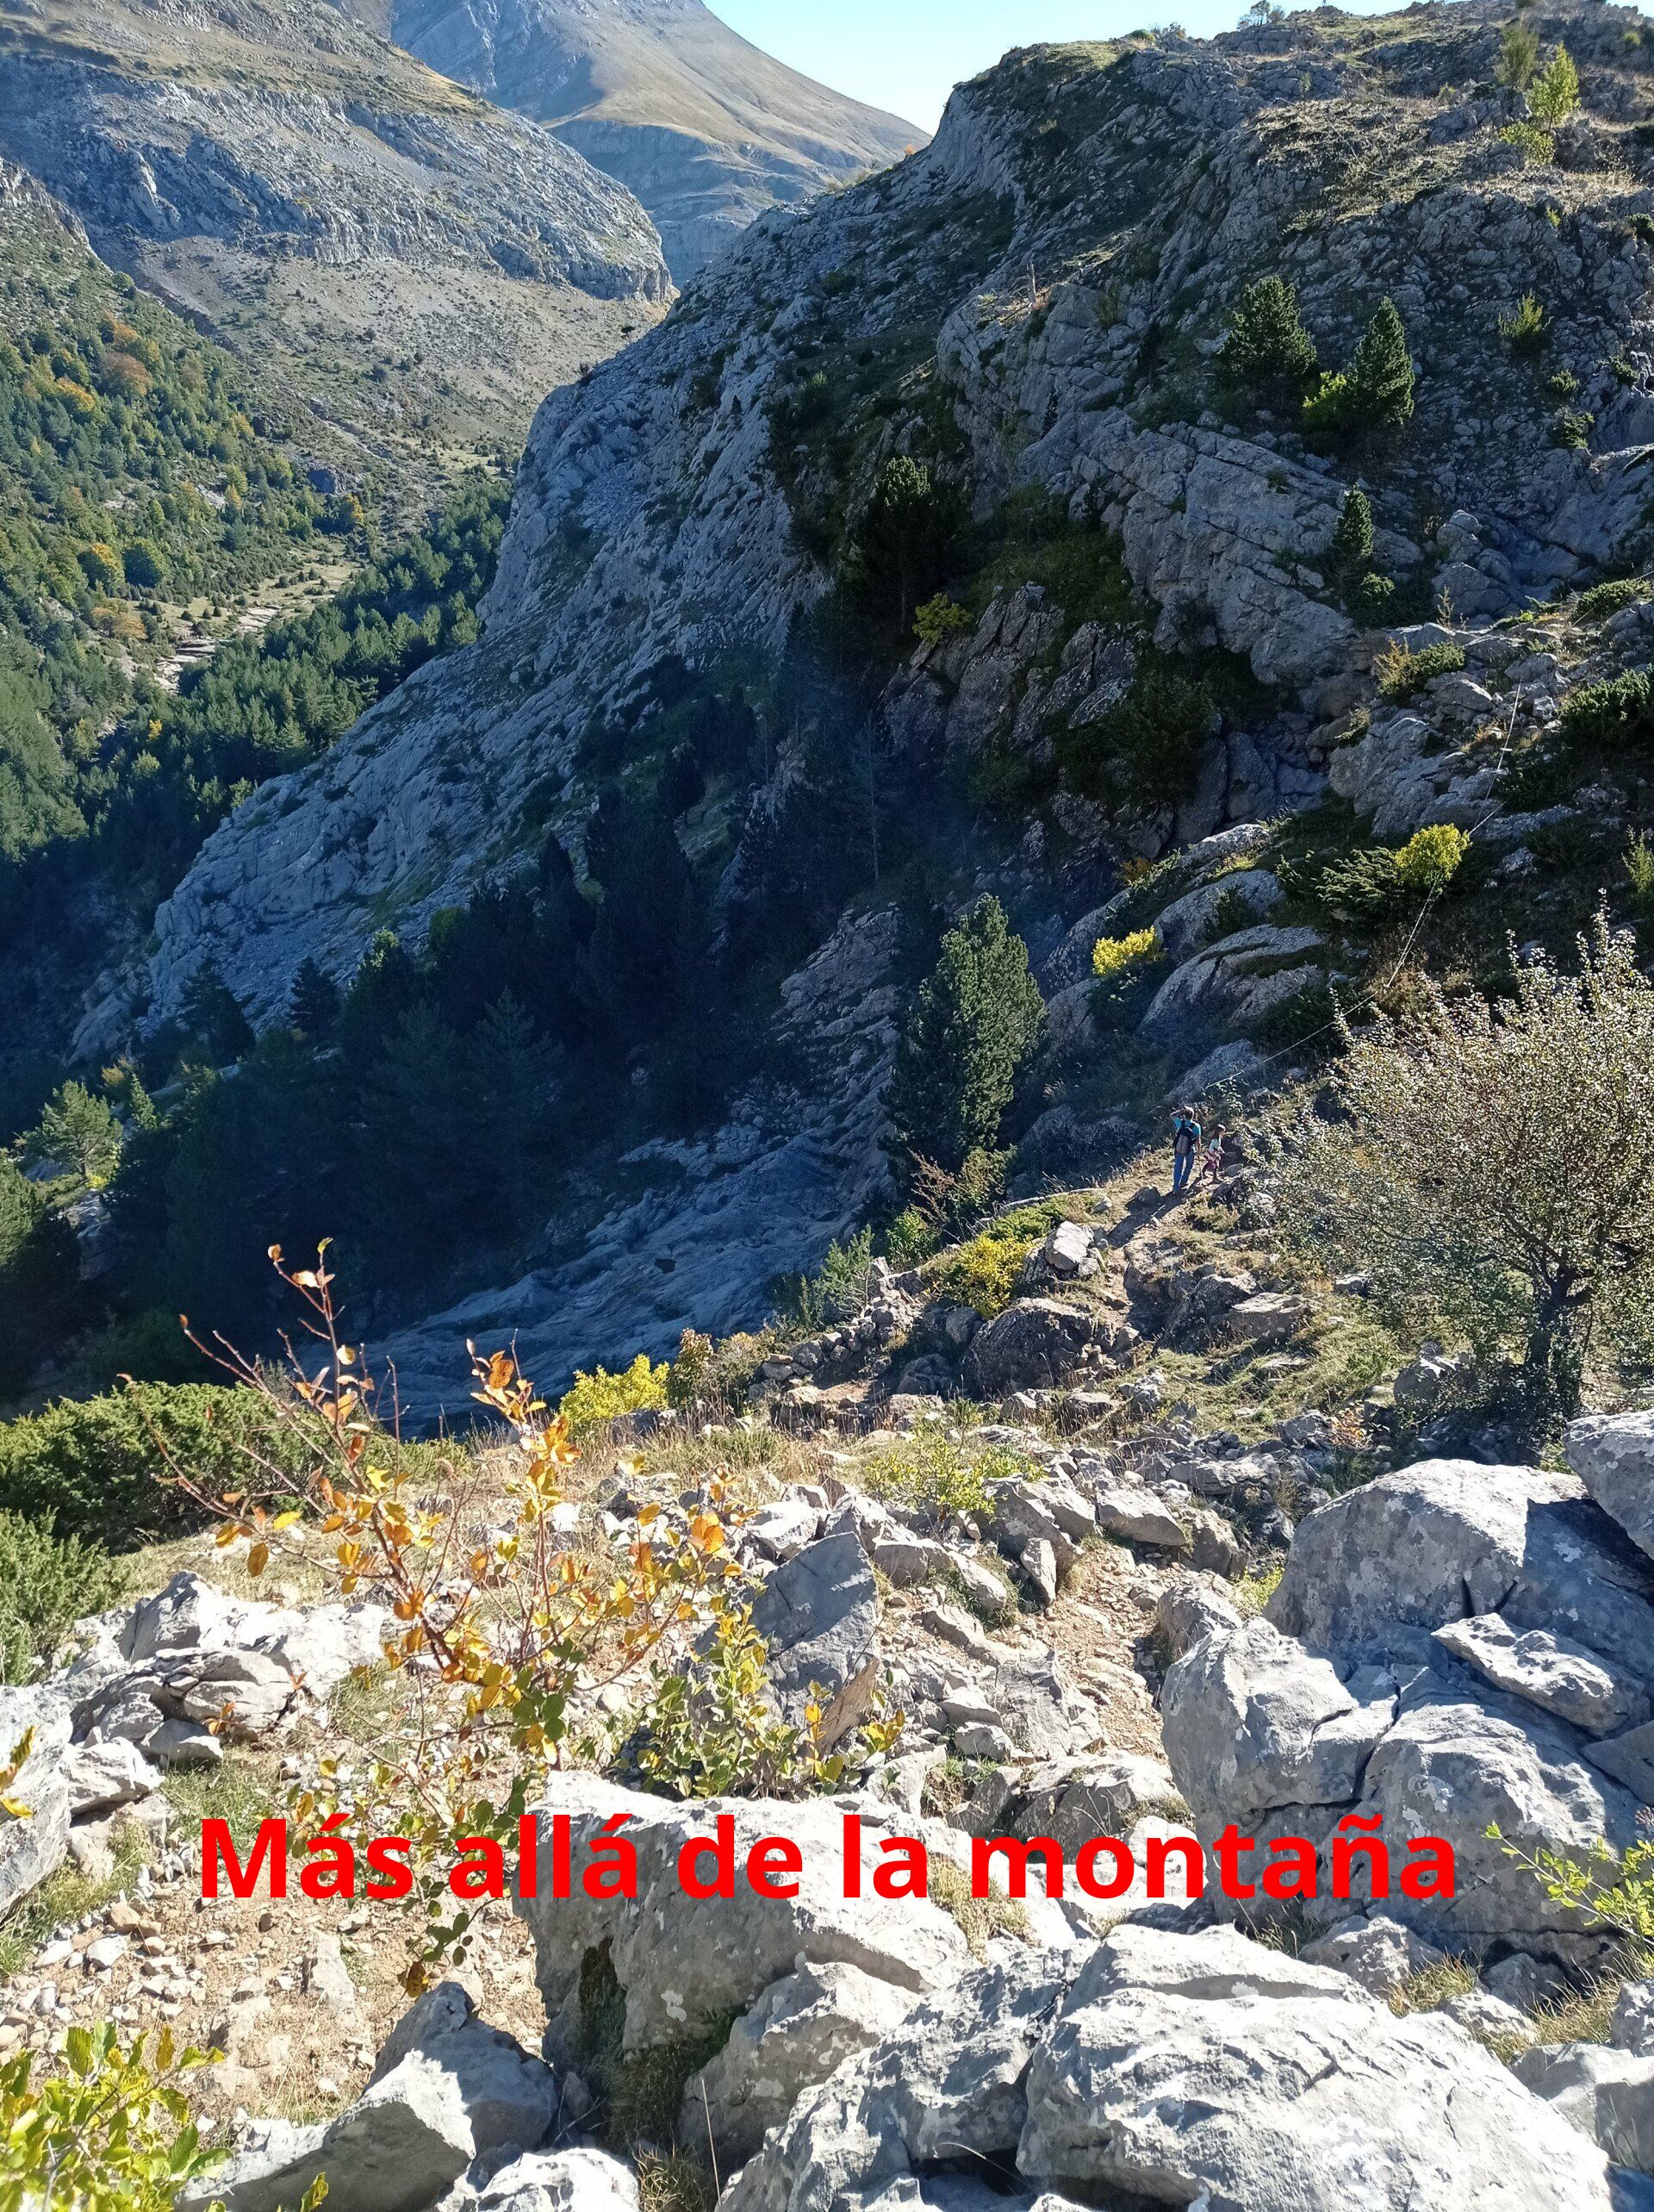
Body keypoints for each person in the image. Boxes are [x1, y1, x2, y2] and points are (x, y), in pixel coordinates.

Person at [1171, 1105, 1202, 1195]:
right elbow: (1198, 1140)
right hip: (1190, 1150)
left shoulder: (1180, 1122)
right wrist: (1199, 1150)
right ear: (1193, 1115)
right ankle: (1184, 1181)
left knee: (1178, 1167)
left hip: (1179, 1149)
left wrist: (1180, 1110)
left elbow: (1172, 1115)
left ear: (1184, 1115)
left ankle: (1176, 1187)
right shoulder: (1196, 1126)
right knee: (1189, 1165)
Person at [1199, 1123, 1227, 1187]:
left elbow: (1218, 1146)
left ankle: (1202, 1172)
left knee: (1209, 1163)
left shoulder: (1219, 1138)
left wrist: (1221, 1150)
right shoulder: (1215, 1140)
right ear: (1219, 1132)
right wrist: (1214, 1154)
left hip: (1215, 1153)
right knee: (1216, 1165)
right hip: (1213, 1154)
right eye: (1223, 1132)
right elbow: (1212, 1147)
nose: (1223, 1133)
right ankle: (1215, 1178)